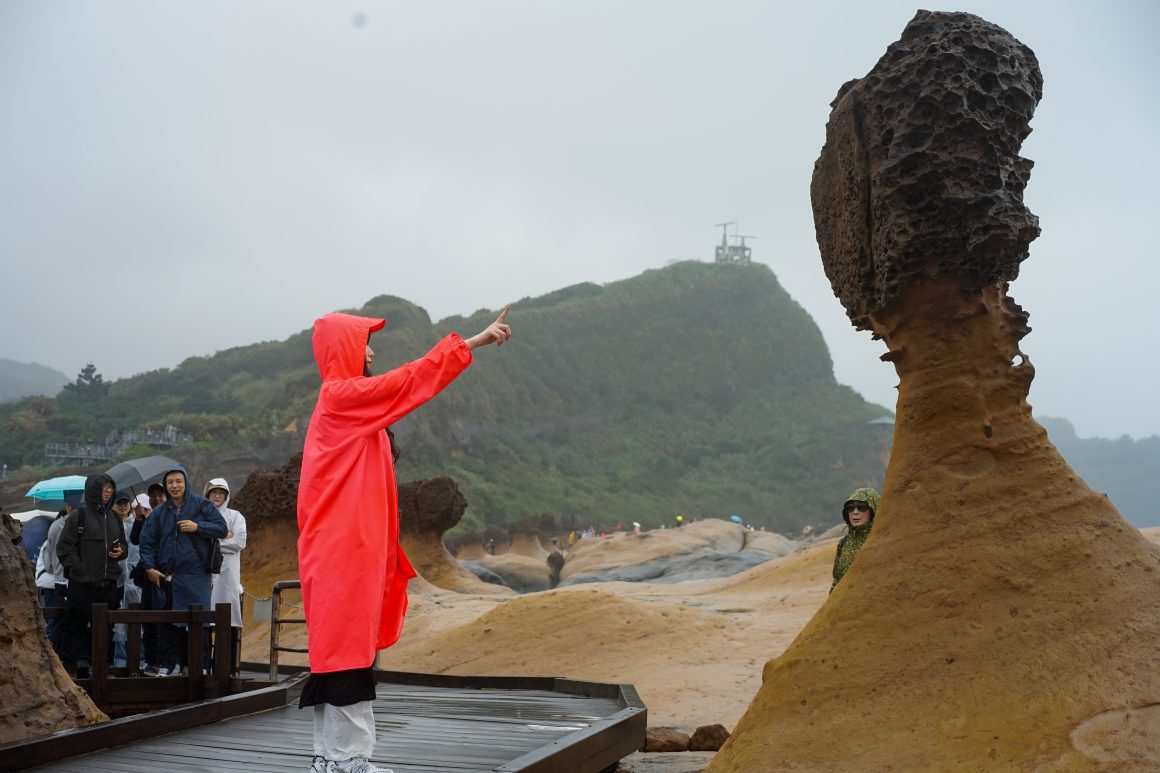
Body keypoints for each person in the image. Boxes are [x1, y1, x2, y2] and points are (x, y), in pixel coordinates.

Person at [298, 307, 511, 773]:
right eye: (363, 343)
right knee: (346, 656)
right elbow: (409, 381)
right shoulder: (341, 397)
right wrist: (470, 343)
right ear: (343, 352)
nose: (371, 351)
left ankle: (334, 759)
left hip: (348, 549)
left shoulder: (346, 402)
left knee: (344, 654)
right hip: (342, 551)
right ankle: (345, 761)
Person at [136, 467, 228, 676]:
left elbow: (222, 528)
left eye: (178, 481)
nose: (175, 486)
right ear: (166, 486)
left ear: (186, 482)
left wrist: (198, 527)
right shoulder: (159, 512)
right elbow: (146, 542)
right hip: (168, 575)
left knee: (200, 620)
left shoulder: (202, 505)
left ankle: (202, 665)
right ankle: (168, 664)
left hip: (197, 574)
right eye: (170, 483)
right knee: (169, 621)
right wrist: (149, 567)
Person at [55, 474, 126, 677]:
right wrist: (79, 569)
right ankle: (70, 670)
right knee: (75, 626)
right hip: (82, 584)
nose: (108, 492)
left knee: (105, 629)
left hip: (108, 583)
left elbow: (125, 545)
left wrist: (121, 550)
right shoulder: (79, 516)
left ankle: (101, 668)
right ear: (94, 491)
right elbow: (64, 548)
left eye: (111, 489)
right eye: (104, 489)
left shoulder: (114, 518)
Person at [204, 477, 247, 675]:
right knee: (204, 619)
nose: (217, 496)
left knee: (226, 620)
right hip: (205, 574)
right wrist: (222, 536)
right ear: (207, 495)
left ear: (227, 495)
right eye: (214, 492)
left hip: (228, 576)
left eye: (221, 493)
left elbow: (239, 542)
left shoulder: (235, 516)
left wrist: (211, 541)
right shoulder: (201, 515)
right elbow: (197, 540)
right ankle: (204, 665)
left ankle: (224, 667)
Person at [35, 495, 79, 641]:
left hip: (56, 584)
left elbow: (49, 564)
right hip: (61, 583)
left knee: (55, 620)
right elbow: (50, 566)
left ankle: (54, 653)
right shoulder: (63, 530)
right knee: (60, 621)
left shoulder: (52, 533)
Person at [129, 491, 161, 672]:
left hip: (164, 576)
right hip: (145, 577)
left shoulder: (167, 518)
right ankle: (151, 660)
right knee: (147, 620)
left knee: (165, 620)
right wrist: (140, 519)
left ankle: (163, 661)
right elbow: (135, 539)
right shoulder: (142, 521)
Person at [110, 491, 141, 668]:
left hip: (134, 578)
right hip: (116, 579)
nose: (122, 506)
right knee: (118, 618)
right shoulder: (110, 525)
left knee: (136, 616)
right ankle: (119, 659)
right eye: (119, 503)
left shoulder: (135, 524)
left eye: (125, 503)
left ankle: (137, 658)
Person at [830, 487, 880, 592]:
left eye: (862, 507)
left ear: (873, 510)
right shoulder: (843, 543)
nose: (855, 512)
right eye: (850, 507)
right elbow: (837, 581)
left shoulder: (880, 540)